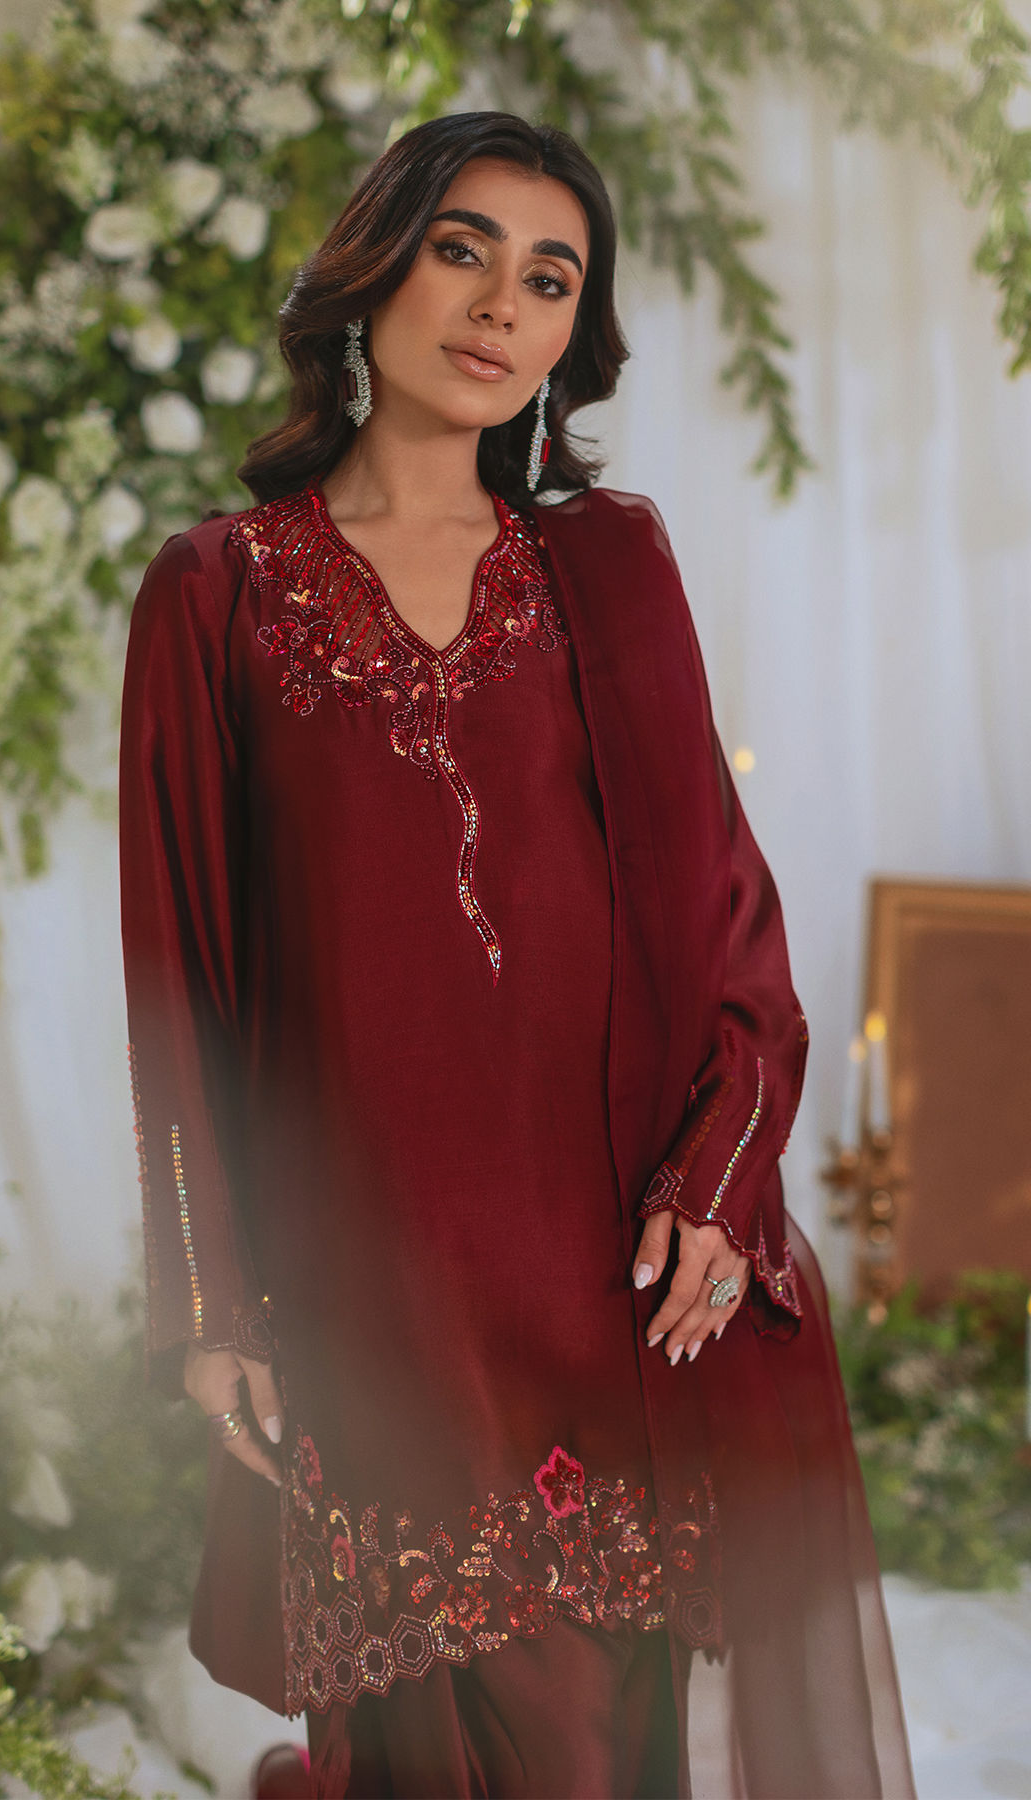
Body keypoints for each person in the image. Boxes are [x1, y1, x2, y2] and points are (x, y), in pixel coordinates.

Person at [119, 110, 914, 1800]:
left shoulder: (609, 571)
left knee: (605, 1749)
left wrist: (721, 1179)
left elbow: (734, 924)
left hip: (601, 1274)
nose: (498, 305)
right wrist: (208, 1301)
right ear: (375, 269)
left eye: (549, 279)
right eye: (462, 249)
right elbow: (181, 979)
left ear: (572, 336)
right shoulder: (217, 593)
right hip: (370, 1292)